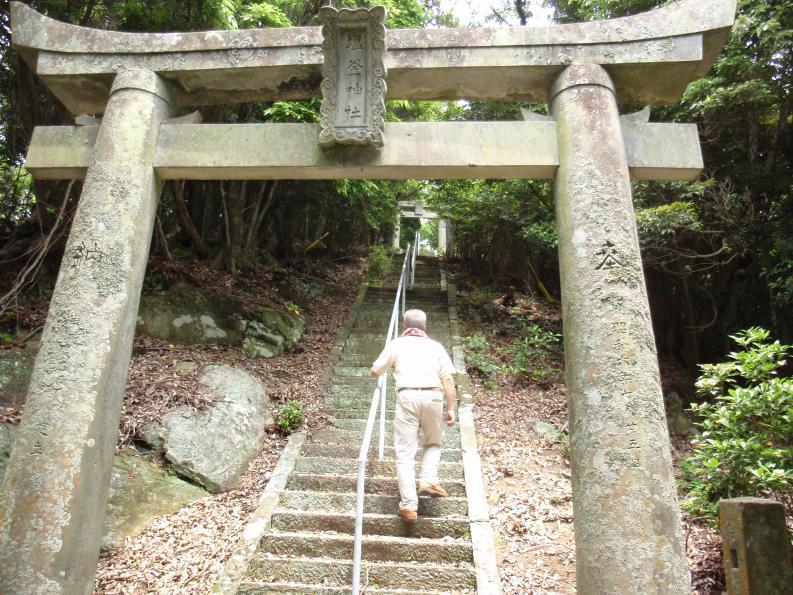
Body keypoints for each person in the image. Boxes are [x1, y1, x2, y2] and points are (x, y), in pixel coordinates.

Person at [370, 308, 456, 523]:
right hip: (434, 397)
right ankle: (428, 479)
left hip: (407, 396)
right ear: (424, 327)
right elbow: (448, 380)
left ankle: (409, 505)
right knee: (433, 443)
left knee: (405, 453)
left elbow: (375, 371)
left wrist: (386, 368)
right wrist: (451, 408)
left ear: (404, 326)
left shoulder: (397, 344)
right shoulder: (436, 347)